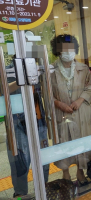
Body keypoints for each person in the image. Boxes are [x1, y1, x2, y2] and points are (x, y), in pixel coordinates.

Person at [50, 34, 91, 185]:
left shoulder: (83, 68)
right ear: (58, 51)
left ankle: (81, 172)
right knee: (64, 141)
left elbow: (89, 87)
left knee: (81, 141)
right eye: (64, 49)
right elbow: (46, 94)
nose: (68, 52)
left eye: (71, 49)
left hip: (80, 111)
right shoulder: (50, 71)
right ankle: (66, 173)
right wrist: (58, 103)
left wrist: (80, 99)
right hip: (61, 112)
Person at [5, 56, 49, 198]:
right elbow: (2, 91)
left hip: (39, 120)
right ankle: (20, 194)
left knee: (44, 159)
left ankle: (44, 189)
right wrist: (22, 80)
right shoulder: (7, 71)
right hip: (18, 123)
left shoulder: (37, 68)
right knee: (21, 162)